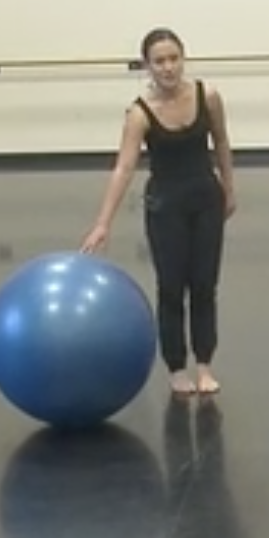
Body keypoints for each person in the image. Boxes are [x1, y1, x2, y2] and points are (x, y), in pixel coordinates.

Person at [80, 27, 236, 396]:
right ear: (147, 67)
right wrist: (103, 223)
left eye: (173, 59)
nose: (168, 68)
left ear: (183, 59)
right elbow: (124, 167)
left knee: (204, 284)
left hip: (205, 199)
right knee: (171, 287)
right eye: (159, 61)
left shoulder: (207, 96)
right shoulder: (140, 113)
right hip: (166, 206)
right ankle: (176, 366)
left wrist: (229, 187)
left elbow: (223, 142)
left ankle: (204, 363)